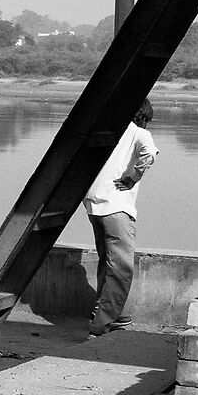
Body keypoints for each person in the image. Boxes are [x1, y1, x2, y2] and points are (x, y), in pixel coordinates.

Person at [84, 100, 158, 336]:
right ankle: (101, 323)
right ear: (143, 117)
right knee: (121, 269)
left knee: (107, 263)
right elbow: (150, 154)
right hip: (116, 207)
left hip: (93, 205)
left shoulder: (107, 130)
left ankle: (103, 312)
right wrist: (132, 177)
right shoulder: (139, 133)